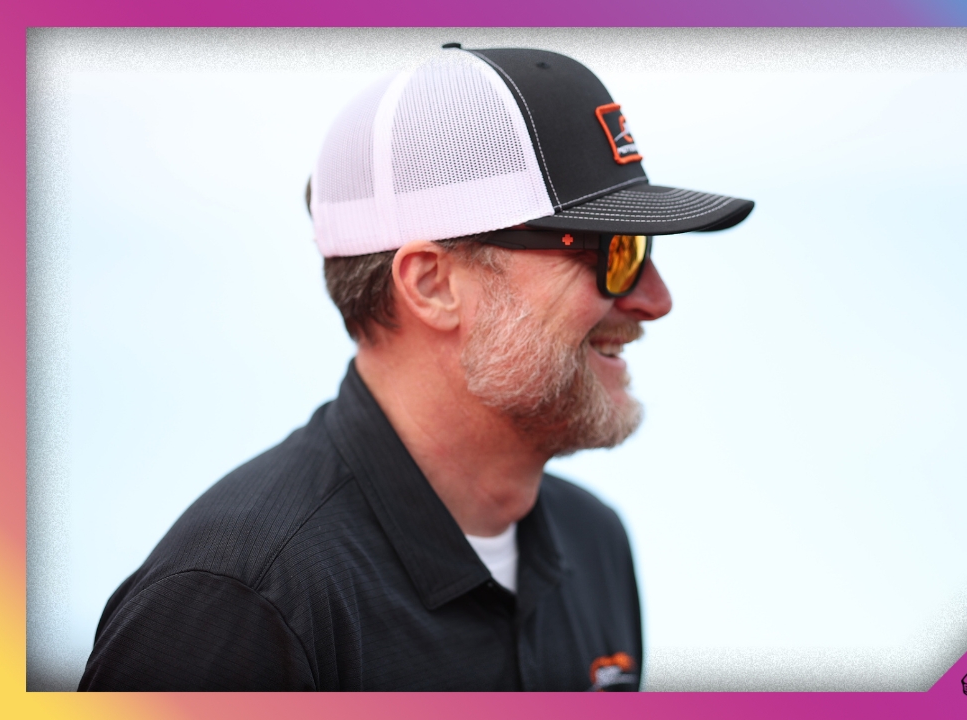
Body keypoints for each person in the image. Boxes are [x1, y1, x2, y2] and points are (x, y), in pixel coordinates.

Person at [78, 44, 753, 691]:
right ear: (432, 283)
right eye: (616, 251)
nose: (655, 300)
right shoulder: (241, 603)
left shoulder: (593, 544)